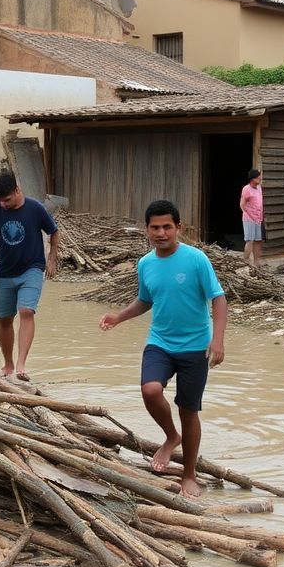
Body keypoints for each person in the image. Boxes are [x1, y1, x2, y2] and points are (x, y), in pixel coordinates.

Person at [99, 199, 227, 498]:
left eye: (167, 226)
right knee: (150, 390)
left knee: (188, 409)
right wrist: (119, 317)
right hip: (160, 343)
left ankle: (189, 475)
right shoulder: (145, 264)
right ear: (146, 230)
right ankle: (171, 437)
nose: (161, 233)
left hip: (196, 347)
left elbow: (218, 299)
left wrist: (218, 339)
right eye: (155, 227)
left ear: (178, 228)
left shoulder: (196, 260)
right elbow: (145, 300)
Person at [0, 171, 60, 381]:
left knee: (26, 311)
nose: (3, 204)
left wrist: (52, 257)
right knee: (5, 319)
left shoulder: (35, 209)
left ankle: (22, 365)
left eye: (6, 199)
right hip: (5, 273)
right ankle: (8, 364)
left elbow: (54, 231)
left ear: (17, 190)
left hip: (32, 269)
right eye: (0, 200)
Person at [240, 168, 264, 269]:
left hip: (258, 219)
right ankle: (246, 260)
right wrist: (249, 215)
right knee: (249, 240)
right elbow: (242, 205)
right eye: (258, 177)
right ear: (253, 179)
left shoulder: (259, 188)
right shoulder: (246, 189)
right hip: (249, 219)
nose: (260, 178)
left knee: (258, 240)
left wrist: (259, 216)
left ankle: (257, 261)